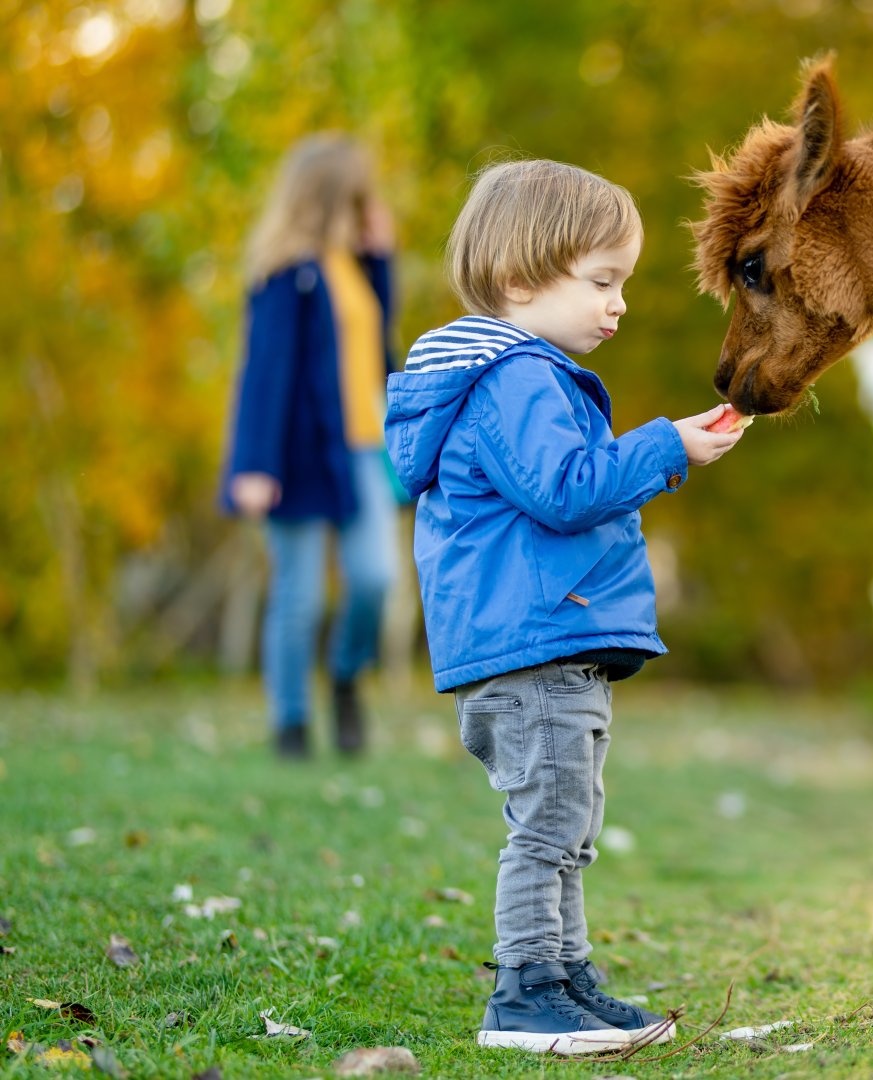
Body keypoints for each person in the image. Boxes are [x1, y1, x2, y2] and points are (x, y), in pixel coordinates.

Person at [384, 159, 744, 1054]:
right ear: (519, 281)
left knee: (567, 824)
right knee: (548, 824)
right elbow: (564, 489)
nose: (618, 304)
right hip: (531, 649)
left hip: (545, 644)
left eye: (621, 282)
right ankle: (523, 992)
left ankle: (566, 976)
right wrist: (666, 447)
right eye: (601, 282)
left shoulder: (524, 376)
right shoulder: (515, 381)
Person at [222, 133, 399, 761]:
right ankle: (291, 726)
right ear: (332, 196)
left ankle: (346, 676)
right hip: (295, 456)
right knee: (296, 595)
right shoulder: (285, 274)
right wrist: (253, 465)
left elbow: (379, 354)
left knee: (375, 578)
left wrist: (382, 260)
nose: (368, 205)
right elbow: (263, 374)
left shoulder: (355, 268)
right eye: (359, 196)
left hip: (363, 451)